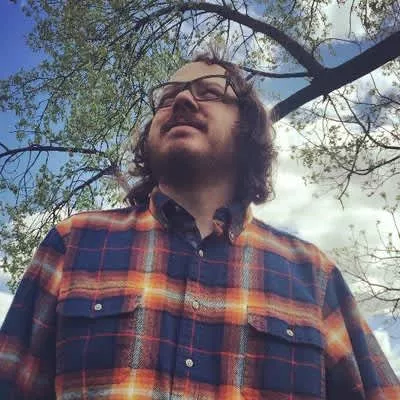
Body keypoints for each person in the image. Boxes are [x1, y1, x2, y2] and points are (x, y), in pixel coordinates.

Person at [0, 51, 399, 400]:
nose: (182, 99)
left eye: (209, 92)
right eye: (167, 97)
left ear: (247, 128)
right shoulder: (74, 243)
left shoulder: (314, 275)